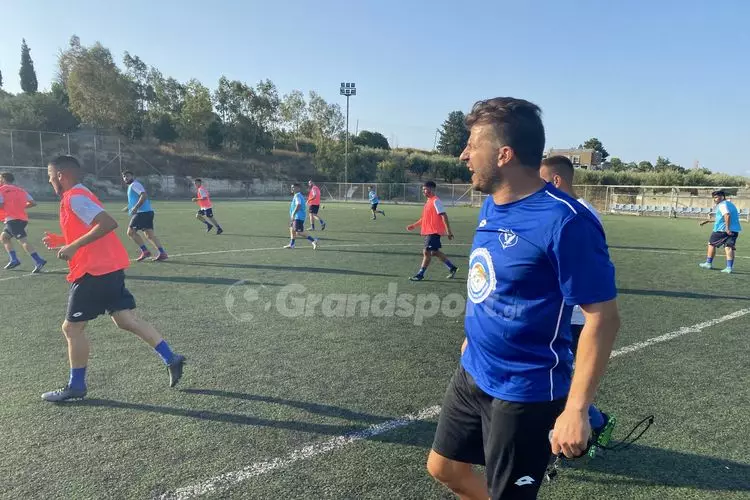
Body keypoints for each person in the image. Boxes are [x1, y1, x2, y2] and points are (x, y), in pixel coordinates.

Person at [426, 98, 620, 499]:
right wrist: (473, 336)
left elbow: (603, 318)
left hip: (524, 390)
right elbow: (493, 281)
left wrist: (576, 409)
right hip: (473, 370)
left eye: (472, 145)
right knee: (444, 468)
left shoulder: (566, 221)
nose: (463, 154)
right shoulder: (492, 205)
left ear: (504, 154)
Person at [40, 155, 186, 402]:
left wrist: (73, 246)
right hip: (109, 268)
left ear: (61, 176)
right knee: (125, 320)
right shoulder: (81, 193)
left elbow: (107, 224)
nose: (50, 181)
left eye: (50, 176)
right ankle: (171, 358)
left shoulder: (74, 197)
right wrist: (63, 241)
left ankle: (76, 386)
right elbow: (90, 227)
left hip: (94, 271)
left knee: (72, 328)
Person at [540, 155, 617, 456]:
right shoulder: (560, 211)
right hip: (555, 314)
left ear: (556, 180)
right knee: (553, 378)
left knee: (560, 382)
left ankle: (597, 422)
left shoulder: (579, 214)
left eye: (542, 181)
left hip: (573, 316)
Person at [406, 181, 457, 281]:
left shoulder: (436, 201)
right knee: (434, 252)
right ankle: (452, 267)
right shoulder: (428, 202)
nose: (423, 191)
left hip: (434, 231)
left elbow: (443, 215)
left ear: (432, 189)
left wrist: (448, 231)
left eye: (425, 189)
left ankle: (420, 274)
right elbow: (424, 218)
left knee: (426, 252)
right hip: (429, 231)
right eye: (423, 189)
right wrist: (414, 225)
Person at [0, 172, 47, 273]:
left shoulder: (2, 190)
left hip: (13, 220)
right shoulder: (21, 190)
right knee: (4, 237)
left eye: (0, 178)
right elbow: (33, 203)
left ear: (3, 179)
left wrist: (10, 208)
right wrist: (19, 207)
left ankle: (38, 260)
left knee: (23, 241)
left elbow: (1, 204)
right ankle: (14, 260)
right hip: (22, 219)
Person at [121, 171, 167, 261]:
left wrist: (135, 207)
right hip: (147, 212)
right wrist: (128, 207)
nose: (126, 178)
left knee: (130, 232)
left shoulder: (135, 185)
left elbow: (144, 195)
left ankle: (145, 251)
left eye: (128, 176)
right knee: (149, 235)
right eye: (124, 176)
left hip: (142, 213)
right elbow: (135, 199)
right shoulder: (132, 186)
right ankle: (162, 253)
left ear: (133, 176)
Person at [699, 189, 741, 273]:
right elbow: (722, 218)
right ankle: (729, 268)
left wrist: (727, 228)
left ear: (722, 197)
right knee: (729, 247)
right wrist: (708, 221)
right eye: (714, 198)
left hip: (722, 230)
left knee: (711, 244)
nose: (714, 199)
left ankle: (708, 263)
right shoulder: (730, 204)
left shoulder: (722, 205)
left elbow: (727, 215)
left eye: (716, 197)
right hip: (734, 230)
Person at [284, 183, 318, 249]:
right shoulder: (297, 195)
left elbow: (298, 205)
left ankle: (313, 240)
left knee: (299, 232)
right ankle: (292, 244)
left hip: (298, 217)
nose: (292, 188)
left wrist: (293, 214)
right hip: (296, 216)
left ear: (298, 188)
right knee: (292, 229)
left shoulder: (297, 196)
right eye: (291, 187)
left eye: (293, 187)